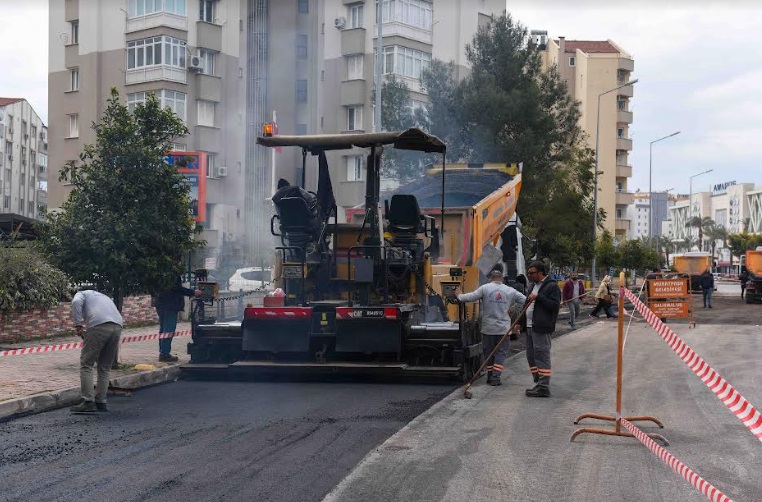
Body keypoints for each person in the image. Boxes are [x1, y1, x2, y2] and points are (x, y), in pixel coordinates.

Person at [455, 268, 526, 387]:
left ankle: (490, 375)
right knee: (500, 353)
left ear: (490, 279)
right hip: (503, 329)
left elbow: (469, 297)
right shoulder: (510, 290)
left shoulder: (485, 288)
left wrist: (459, 295)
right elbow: (524, 300)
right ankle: (495, 376)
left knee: (488, 353)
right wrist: (514, 309)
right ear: (502, 279)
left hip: (488, 328)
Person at [69, 289, 124, 413]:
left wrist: (78, 325)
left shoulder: (81, 294)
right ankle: (101, 402)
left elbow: (76, 302)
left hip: (98, 325)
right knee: (104, 366)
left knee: (86, 364)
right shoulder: (102, 296)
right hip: (117, 326)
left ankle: (88, 401)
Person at [524, 260, 561, 398]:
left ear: (540, 273)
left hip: (541, 327)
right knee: (531, 356)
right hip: (529, 326)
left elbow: (554, 306)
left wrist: (539, 297)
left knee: (542, 356)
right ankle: (538, 381)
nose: (529, 275)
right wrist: (519, 323)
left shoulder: (552, 287)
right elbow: (527, 304)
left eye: (532, 273)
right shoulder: (533, 285)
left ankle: (544, 387)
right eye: (528, 273)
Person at [155, 277, 202, 362]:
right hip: (170, 305)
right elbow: (177, 289)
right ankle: (164, 354)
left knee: (163, 330)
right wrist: (193, 292)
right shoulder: (172, 272)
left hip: (160, 303)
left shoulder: (161, 269)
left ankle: (163, 352)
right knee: (168, 330)